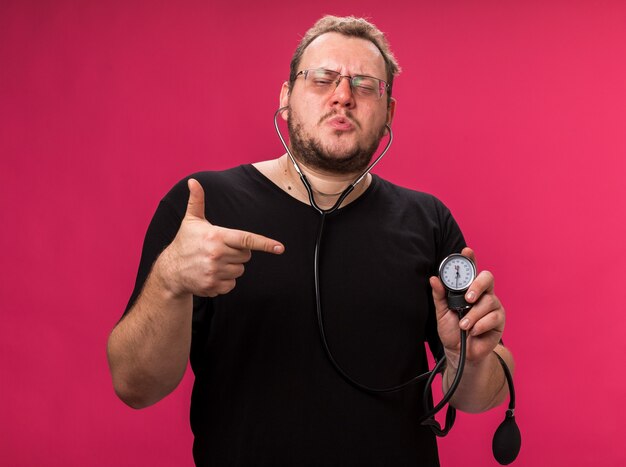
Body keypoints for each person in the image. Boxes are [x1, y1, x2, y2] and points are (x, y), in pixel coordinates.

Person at [107, 15, 514, 466]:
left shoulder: (428, 220)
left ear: (389, 114)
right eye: (322, 79)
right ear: (286, 97)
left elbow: (478, 398)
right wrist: (169, 282)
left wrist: (466, 358)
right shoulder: (202, 210)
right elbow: (134, 386)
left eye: (365, 85)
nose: (343, 96)